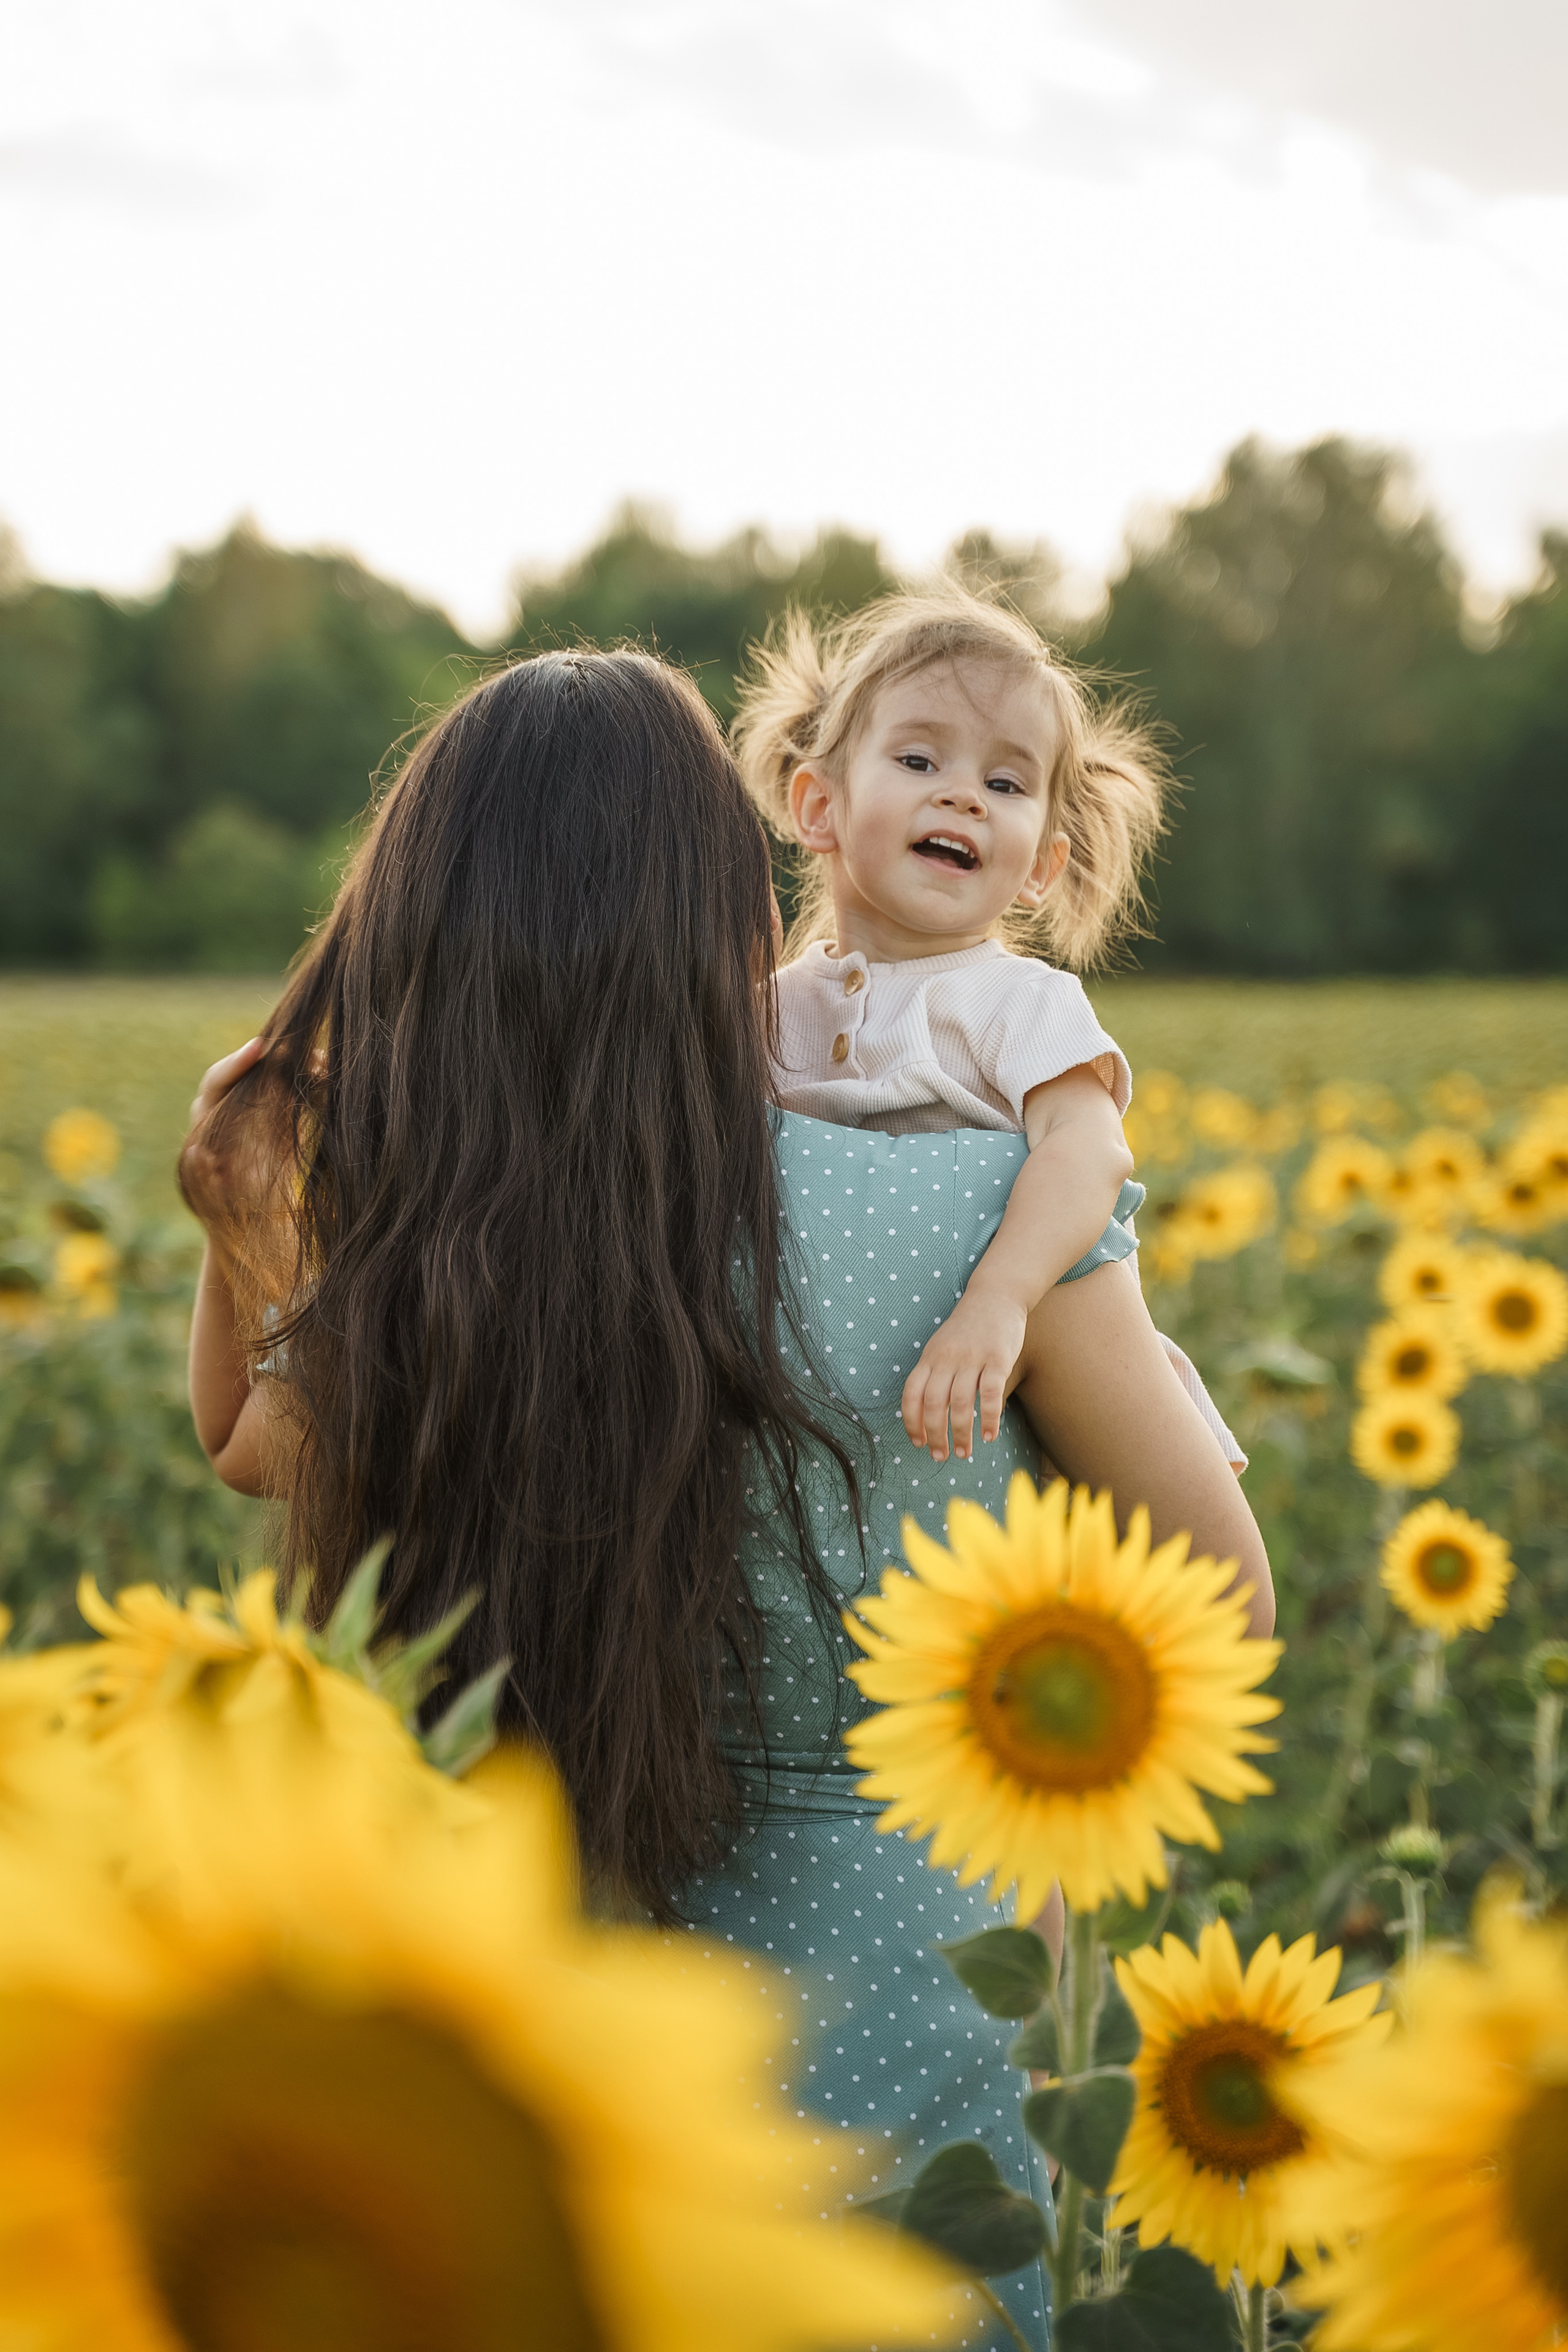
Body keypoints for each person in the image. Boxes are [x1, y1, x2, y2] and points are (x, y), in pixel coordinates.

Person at [181, 649, 1272, 2352]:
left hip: (547, 1964)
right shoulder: (970, 1205)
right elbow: (1224, 1603)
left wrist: (248, 1220)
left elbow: (255, 1442)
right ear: (743, 884)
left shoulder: (441, 1240)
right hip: (909, 1957)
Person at [735, 585, 1242, 1480]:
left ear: (1043, 864)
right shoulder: (766, 1009)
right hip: (825, 1420)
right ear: (819, 806)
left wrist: (1001, 1304)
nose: (965, 796)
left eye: (1005, 783)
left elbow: (1090, 1156)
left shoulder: (1019, 1003)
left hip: (1001, 1389)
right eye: (921, 759)